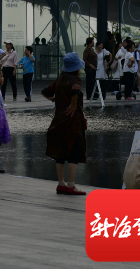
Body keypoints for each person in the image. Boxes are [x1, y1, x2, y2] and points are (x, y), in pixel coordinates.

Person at [42, 51, 88, 196]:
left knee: (60, 153)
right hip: (72, 122)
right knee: (74, 152)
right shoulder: (75, 79)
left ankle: (61, 184)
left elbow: (45, 91)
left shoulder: (60, 80)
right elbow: (75, 90)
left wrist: (53, 99)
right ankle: (71, 185)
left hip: (59, 120)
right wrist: (73, 104)